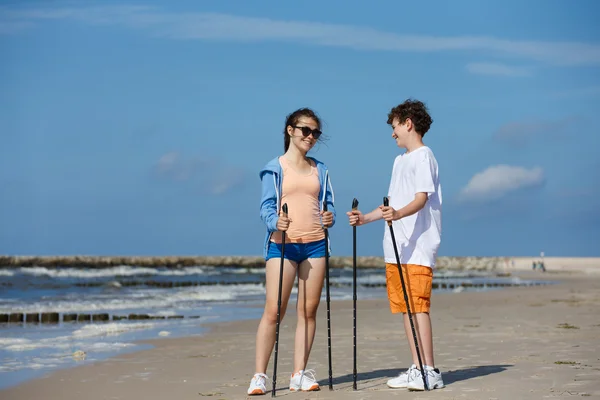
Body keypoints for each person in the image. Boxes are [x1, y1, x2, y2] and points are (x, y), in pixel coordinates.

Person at [347, 99, 445, 391]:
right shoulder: (399, 161)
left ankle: (429, 370)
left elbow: (420, 198)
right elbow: (391, 203)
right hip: (396, 247)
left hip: (418, 246)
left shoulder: (424, 156)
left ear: (408, 123)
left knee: (418, 307)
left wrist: (398, 215)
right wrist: (365, 218)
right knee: (406, 308)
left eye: (394, 127)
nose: (392, 134)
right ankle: (417, 366)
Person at [247, 108, 336, 395]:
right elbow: (266, 208)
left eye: (315, 133)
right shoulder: (274, 168)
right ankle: (260, 375)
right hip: (282, 245)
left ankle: (299, 373)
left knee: (308, 311)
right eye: (305, 130)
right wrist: (276, 221)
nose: (310, 137)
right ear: (290, 130)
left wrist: (329, 216)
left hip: (316, 245)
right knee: (274, 311)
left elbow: (328, 204)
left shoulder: (320, 169)